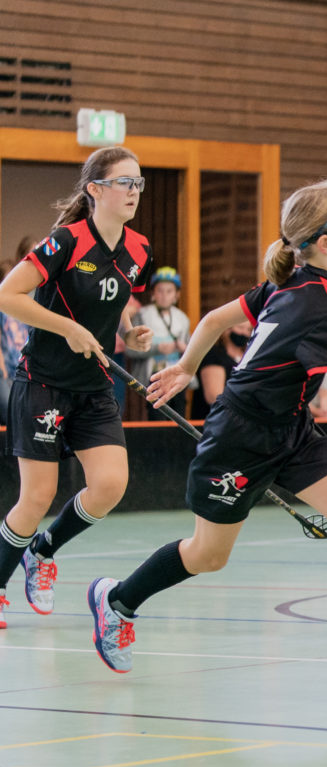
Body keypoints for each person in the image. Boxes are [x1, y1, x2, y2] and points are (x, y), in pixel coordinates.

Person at [87, 178, 327, 683]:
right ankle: (116, 601)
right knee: (208, 555)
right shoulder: (326, 307)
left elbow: (210, 320)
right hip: (237, 440)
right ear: (325, 243)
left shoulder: (291, 282)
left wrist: (187, 366)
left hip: (292, 428)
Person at [0, 146, 154, 629]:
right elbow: (8, 295)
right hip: (43, 382)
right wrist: (65, 327)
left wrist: (126, 331)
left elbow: (117, 293)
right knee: (37, 497)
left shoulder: (140, 249)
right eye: (124, 182)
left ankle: (43, 551)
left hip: (93, 385)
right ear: (95, 190)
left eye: (138, 182)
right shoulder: (66, 241)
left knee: (109, 486)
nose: (134, 191)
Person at [132, 266, 191, 418]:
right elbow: (130, 349)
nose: (164, 295)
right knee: (155, 413)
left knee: (179, 416)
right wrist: (157, 348)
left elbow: (190, 347)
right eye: (160, 290)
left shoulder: (183, 319)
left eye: (169, 291)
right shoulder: (142, 315)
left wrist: (184, 348)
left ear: (176, 295)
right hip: (153, 375)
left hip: (176, 374)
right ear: (153, 293)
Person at [0, 237, 36, 424]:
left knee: (24, 413)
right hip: (7, 366)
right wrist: (3, 369)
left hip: (24, 365)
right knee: (8, 409)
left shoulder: (29, 300)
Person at [189, 319, 252, 421]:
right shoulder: (214, 355)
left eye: (249, 330)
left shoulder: (248, 358)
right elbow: (214, 396)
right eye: (240, 327)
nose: (244, 333)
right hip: (214, 422)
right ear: (227, 329)